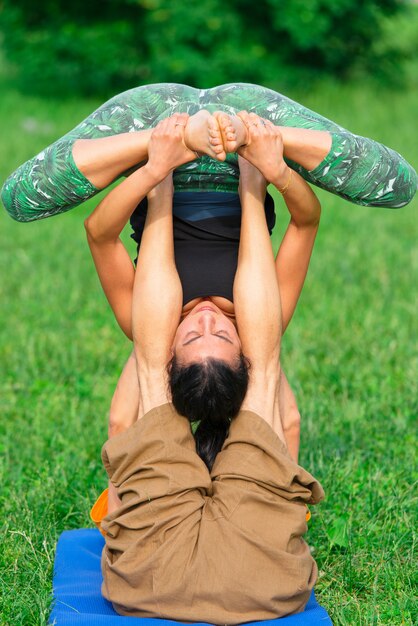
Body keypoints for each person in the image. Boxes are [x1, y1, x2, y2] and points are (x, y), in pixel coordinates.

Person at [97, 114, 324, 622]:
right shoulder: (253, 337)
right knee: (263, 367)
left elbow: (119, 423)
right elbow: (286, 421)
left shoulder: (155, 342)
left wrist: (117, 513)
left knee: (154, 367)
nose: (204, 321)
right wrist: (261, 179)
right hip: (223, 585)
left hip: (163, 584)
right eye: (217, 334)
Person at [84, 109, 320, 472]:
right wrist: (276, 171)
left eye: (193, 336)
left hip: (167, 147)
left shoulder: (146, 326)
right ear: (243, 352)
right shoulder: (261, 322)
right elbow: (306, 223)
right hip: (243, 155)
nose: (208, 320)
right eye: (223, 335)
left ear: (171, 357)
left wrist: (153, 168)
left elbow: (100, 234)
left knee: (21, 198)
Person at [2, 83, 416, 223]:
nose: (207, 328)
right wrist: (257, 135)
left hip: (153, 120)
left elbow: (21, 199)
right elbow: (397, 184)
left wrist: (166, 140)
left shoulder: (148, 325)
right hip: (252, 120)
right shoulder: (258, 322)